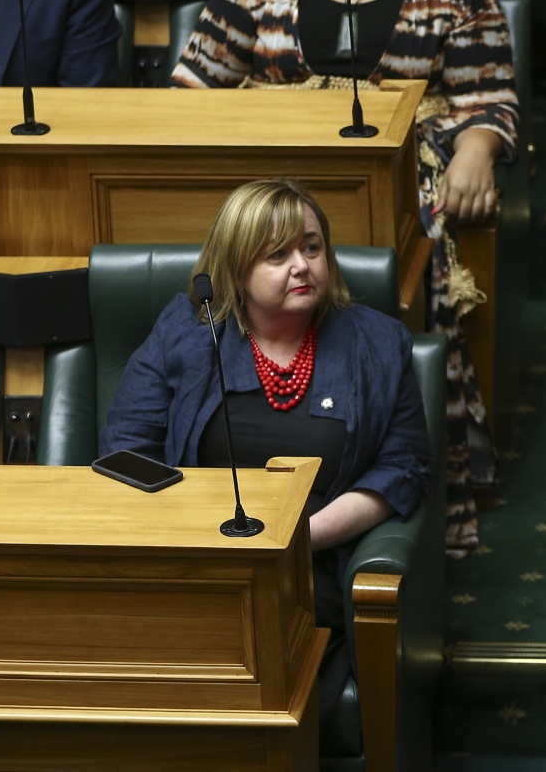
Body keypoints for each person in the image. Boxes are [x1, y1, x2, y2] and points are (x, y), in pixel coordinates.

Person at [173, 0, 518, 553]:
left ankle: (413, 471)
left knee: (424, 250)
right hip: (268, 184)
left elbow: (489, 99)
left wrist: (475, 148)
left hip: (398, 186)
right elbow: (190, 89)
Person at [101, 179, 430, 736]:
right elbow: (125, 451)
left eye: (311, 247)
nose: (302, 266)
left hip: (305, 569)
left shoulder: (377, 342)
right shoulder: (186, 332)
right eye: (277, 255)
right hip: (195, 559)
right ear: (235, 269)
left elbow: (404, 468)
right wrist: (195, 540)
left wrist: (296, 537)